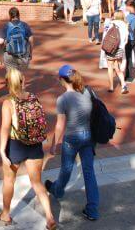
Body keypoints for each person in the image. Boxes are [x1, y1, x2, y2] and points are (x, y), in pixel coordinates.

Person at [0, 69, 57, 229]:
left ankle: (5, 214)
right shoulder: (33, 97)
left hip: (15, 145)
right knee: (37, 183)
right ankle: (50, 217)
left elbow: (4, 128)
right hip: (34, 145)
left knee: (9, 180)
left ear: (8, 83)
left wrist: (2, 151)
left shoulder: (8, 102)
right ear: (23, 81)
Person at [45, 65, 99, 221]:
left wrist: (54, 144)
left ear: (62, 80)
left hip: (72, 138)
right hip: (89, 136)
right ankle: (92, 210)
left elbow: (60, 125)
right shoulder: (88, 91)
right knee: (89, 172)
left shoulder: (63, 99)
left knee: (67, 169)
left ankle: (57, 190)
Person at [0, 7, 34, 72]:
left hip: (10, 55)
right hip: (23, 55)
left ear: (10, 15)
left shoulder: (6, 26)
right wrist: (30, 53)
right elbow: (31, 41)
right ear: (18, 15)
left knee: (11, 75)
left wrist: (3, 50)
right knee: (21, 76)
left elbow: (0, 42)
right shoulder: (24, 25)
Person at [103, 11, 129, 93]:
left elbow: (106, 34)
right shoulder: (125, 25)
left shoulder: (111, 23)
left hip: (110, 48)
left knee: (110, 67)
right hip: (120, 48)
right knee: (118, 67)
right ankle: (123, 85)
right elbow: (126, 40)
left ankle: (111, 87)